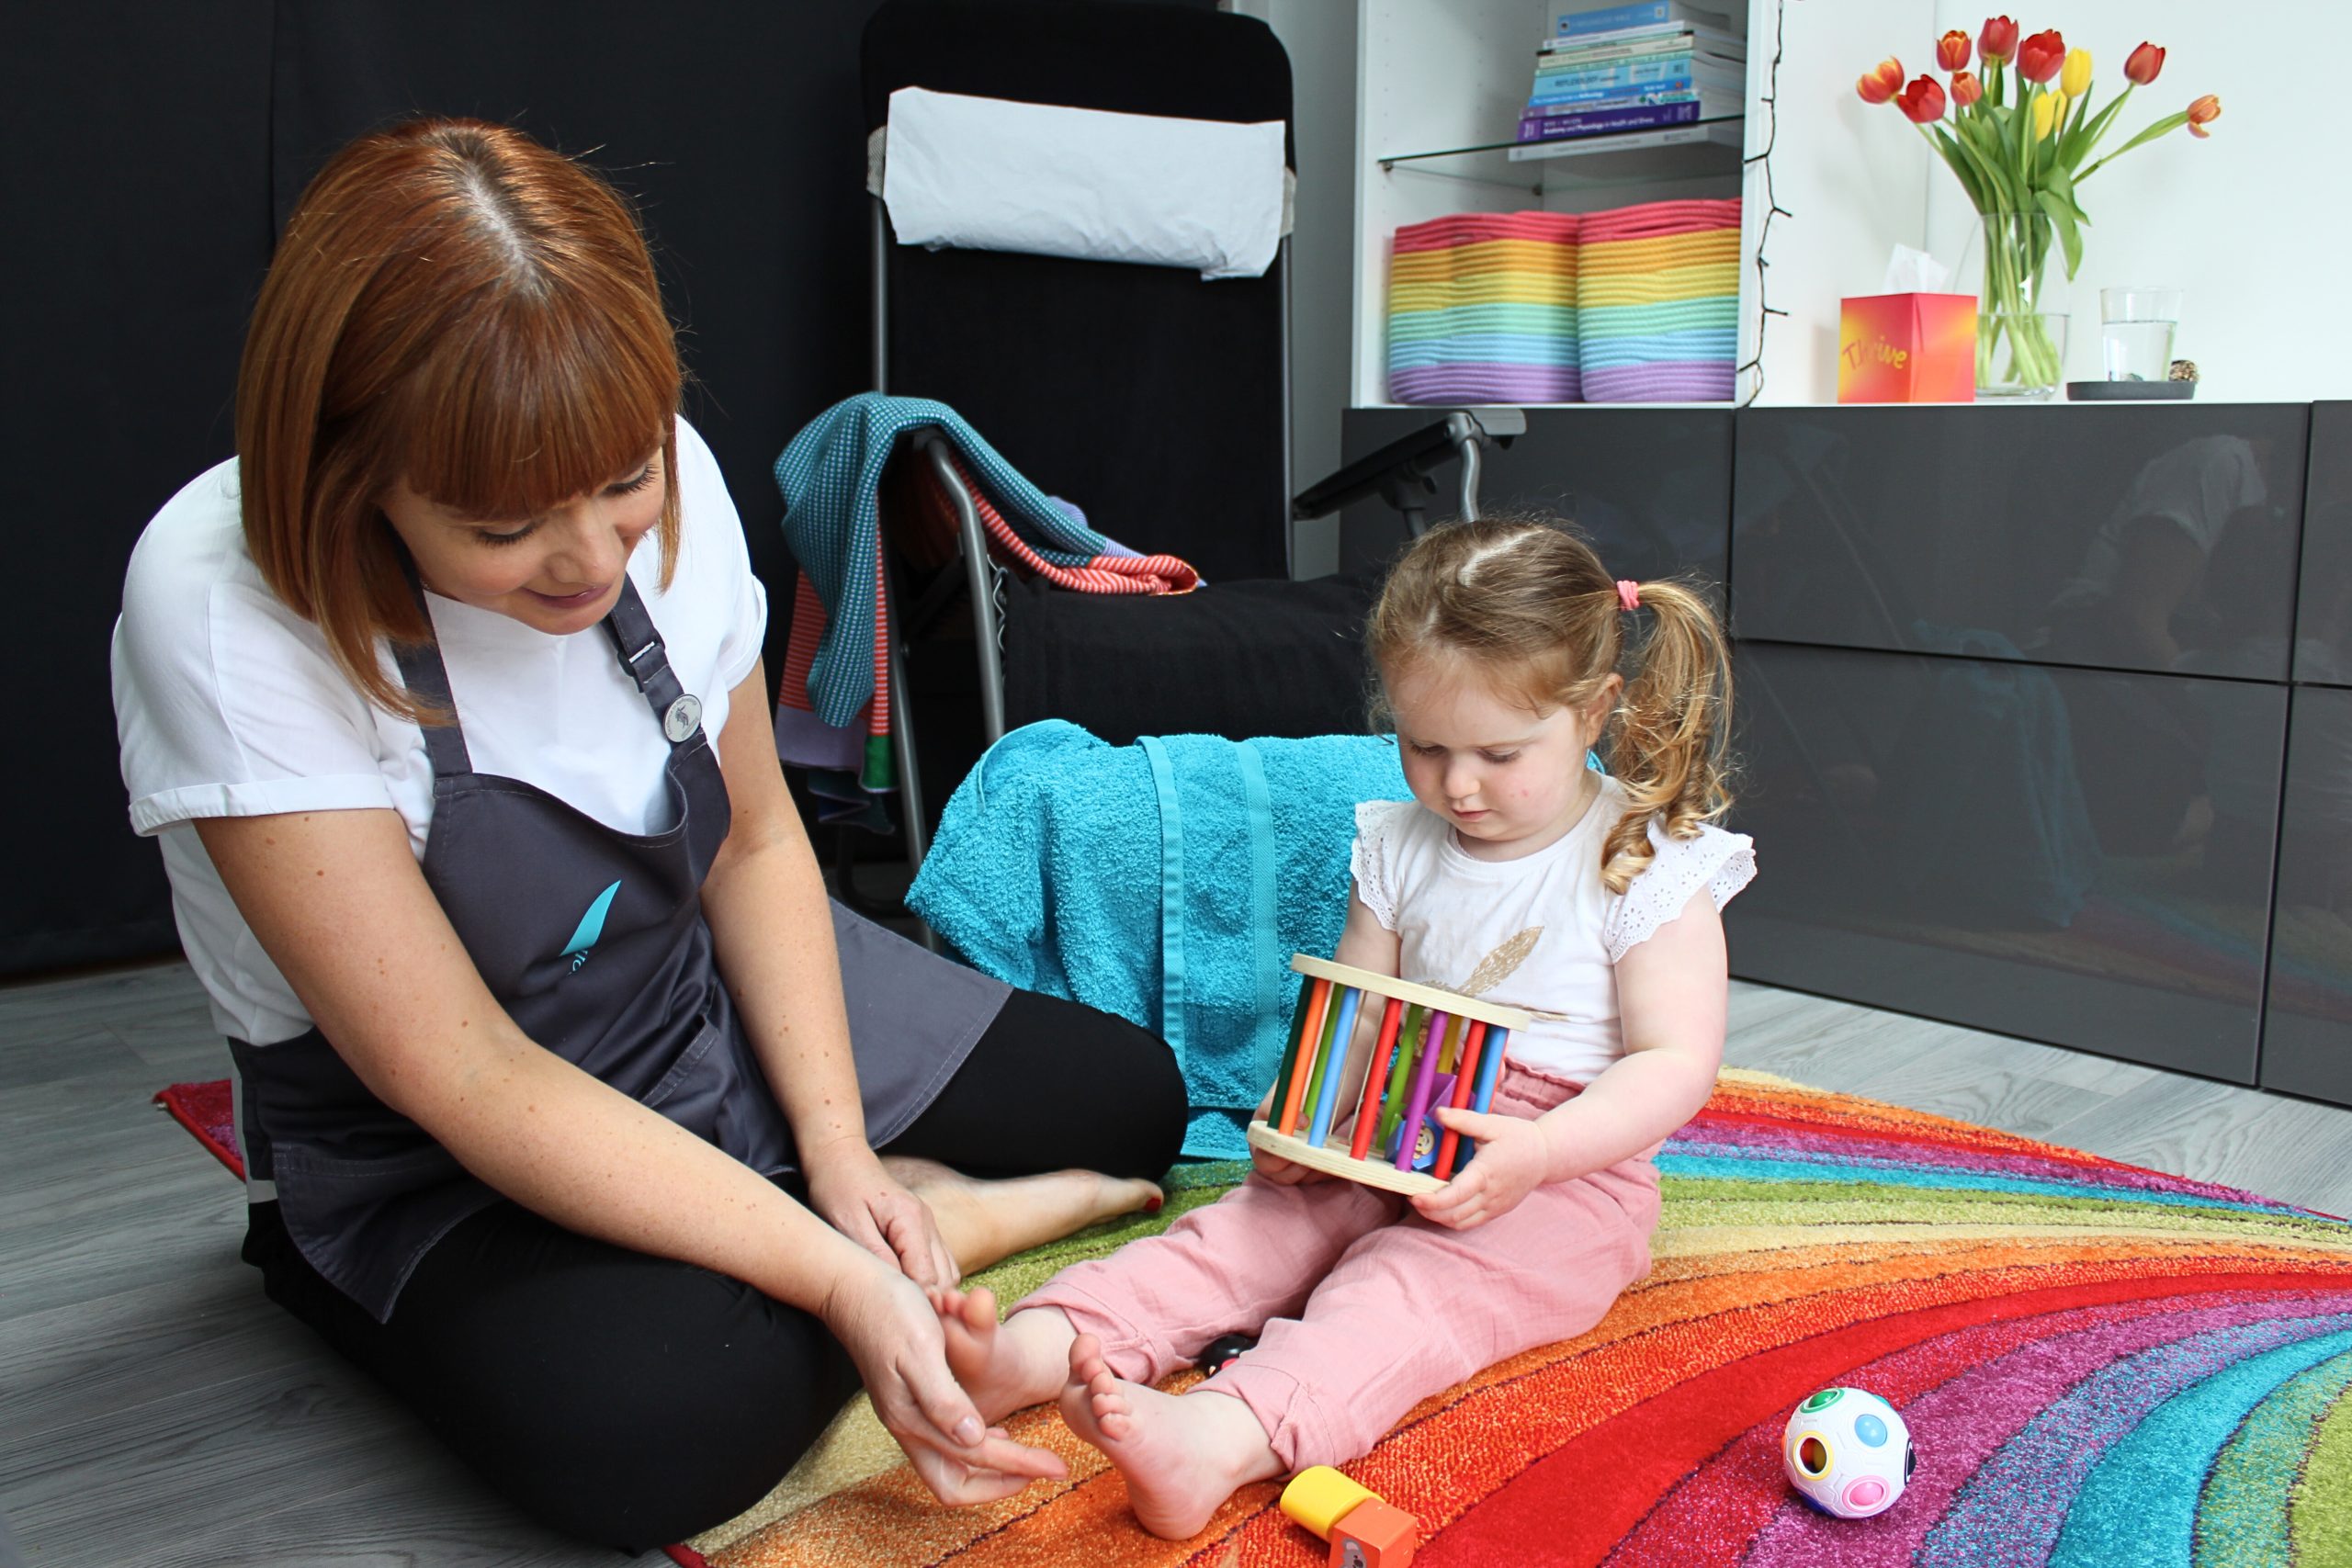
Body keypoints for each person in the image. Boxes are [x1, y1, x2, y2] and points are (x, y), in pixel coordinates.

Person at [108, 118, 1183, 1551]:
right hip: (436, 1126)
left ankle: (801, 1201)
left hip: (689, 992)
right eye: (506, 527)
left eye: (624, 485)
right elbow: (465, 1069)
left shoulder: (657, 466)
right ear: (351, 472)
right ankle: (875, 1233)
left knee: (1129, 1094)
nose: (591, 559)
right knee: (655, 1421)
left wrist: (843, 1151)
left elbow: (751, 846)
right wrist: (844, 1273)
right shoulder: (221, 603)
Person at [930, 516, 1755, 1538]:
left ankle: (1221, 1435)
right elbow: (1359, 1008)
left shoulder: (1647, 856)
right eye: (1424, 746)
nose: (1457, 784)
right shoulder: (1401, 840)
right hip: (1394, 1113)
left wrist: (1540, 1152)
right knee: (1250, 1230)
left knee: (1404, 1291)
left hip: (1565, 1170)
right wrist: (1301, 1117)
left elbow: (1675, 1062)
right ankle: (1040, 1345)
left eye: (1498, 753)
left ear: (1593, 710)